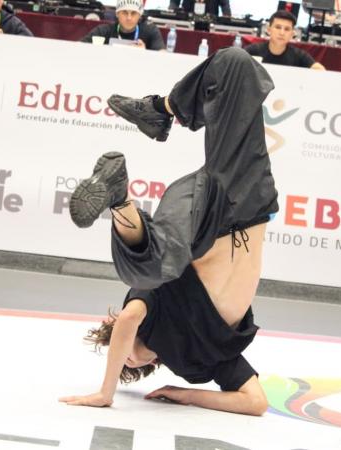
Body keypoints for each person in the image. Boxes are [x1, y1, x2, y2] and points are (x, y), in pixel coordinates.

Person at [60, 47, 278, 416]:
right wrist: (185, 393)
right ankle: (160, 113)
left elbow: (128, 319)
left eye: (118, 348)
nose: (124, 351)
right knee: (236, 64)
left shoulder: (151, 311)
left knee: (155, 264)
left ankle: (122, 194)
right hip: (249, 202)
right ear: (142, 365)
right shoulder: (196, 366)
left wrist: (106, 392)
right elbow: (256, 403)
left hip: (205, 214)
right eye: (124, 359)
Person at [244, 10, 325, 70]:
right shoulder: (253, 50)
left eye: (287, 29)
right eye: (278, 27)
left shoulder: (299, 55)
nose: (282, 33)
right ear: (269, 30)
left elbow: (319, 70)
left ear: (292, 34)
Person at [82, 0, 165, 51]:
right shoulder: (103, 31)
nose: (129, 18)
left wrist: (145, 54)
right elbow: (78, 48)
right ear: (117, 14)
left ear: (139, 15)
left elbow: (163, 57)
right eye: (124, 12)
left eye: (133, 13)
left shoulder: (150, 31)